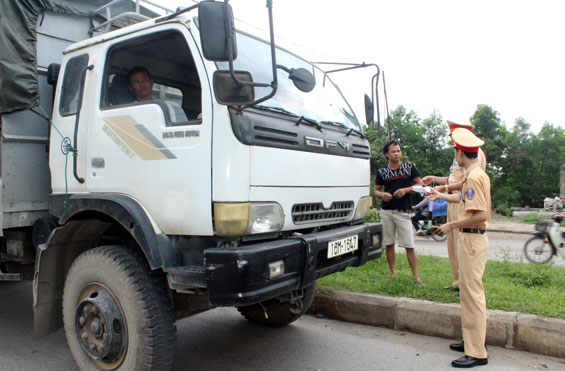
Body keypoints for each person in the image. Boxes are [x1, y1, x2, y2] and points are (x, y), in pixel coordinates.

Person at [427, 128, 491, 368]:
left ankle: (477, 353)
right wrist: (438, 195)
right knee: (469, 293)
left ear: (461, 153)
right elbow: (463, 199)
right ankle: (473, 341)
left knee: (472, 295)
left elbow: (481, 214)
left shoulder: (474, 176)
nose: (454, 154)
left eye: (455, 150)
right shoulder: (471, 174)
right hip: (470, 239)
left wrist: (451, 224)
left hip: (472, 239)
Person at [421, 120, 487, 292]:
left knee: (461, 244)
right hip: (453, 200)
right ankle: (457, 281)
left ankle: (464, 284)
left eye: (453, 135)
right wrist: (435, 179)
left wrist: (445, 188)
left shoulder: (474, 154)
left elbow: (466, 183)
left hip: (463, 203)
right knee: (453, 246)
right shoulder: (460, 154)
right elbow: (454, 178)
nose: (451, 139)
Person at [374, 140, 424, 286]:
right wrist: (382, 195)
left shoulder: (409, 167)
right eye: (393, 151)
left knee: (409, 244)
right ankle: (393, 274)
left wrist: (406, 190)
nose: (397, 154)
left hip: (403, 211)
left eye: (398, 151)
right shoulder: (382, 172)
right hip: (387, 211)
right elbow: (376, 190)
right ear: (386, 154)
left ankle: (417, 278)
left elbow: (420, 185)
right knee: (389, 243)